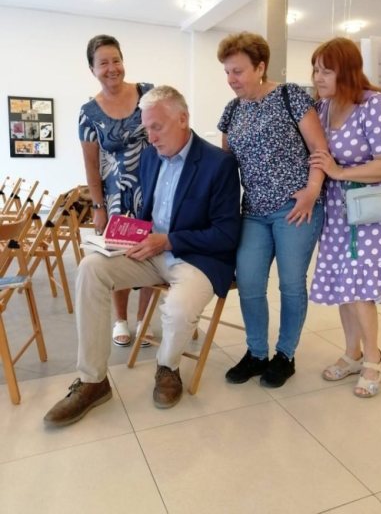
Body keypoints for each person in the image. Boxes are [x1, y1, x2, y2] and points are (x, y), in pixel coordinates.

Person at [44, 85, 241, 425]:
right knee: (90, 268)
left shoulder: (218, 163)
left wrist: (168, 241)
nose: (150, 138)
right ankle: (93, 381)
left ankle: (168, 367)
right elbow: (148, 213)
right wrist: (125, 234)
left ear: (183, 119)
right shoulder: (151, 157)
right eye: (146, 128)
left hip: (196, 258)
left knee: (178, 307)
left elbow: (226, 234)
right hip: (152, 250)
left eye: (157, 127)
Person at [217, 31, 327, 388]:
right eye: (227, 72)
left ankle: (285, 355)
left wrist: (312, 191)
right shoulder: (232, 111)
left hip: (296, 207)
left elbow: (319, 149)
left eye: (238, 71)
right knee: (249, 282)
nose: (231, 79)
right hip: (253, 212)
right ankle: (256, 353)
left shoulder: (290, 96)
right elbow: (226, 166)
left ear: (260, 67)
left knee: (291, 283)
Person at [308, 37, 381, 398]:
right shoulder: (323, 108)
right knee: (344, 284)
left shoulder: (375, 105)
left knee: (360, 284)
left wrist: (339, 172)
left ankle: (373, 358)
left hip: (371, 208)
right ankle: (352, 353)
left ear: (348, 71)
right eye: (315, 70)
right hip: (338, 208)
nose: (318, 77)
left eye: (326, 71)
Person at [79, 34, 153, 347]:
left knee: (151, 254)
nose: (112, 68)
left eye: (116, 60)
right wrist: (98, 208)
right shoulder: (88, 112)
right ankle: (120, 319)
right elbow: (91, 165)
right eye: (103, 63)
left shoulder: (148, 94)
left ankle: (144, 319)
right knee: (119, 259)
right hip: (116, 197)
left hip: (154, 189)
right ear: (92, 69)